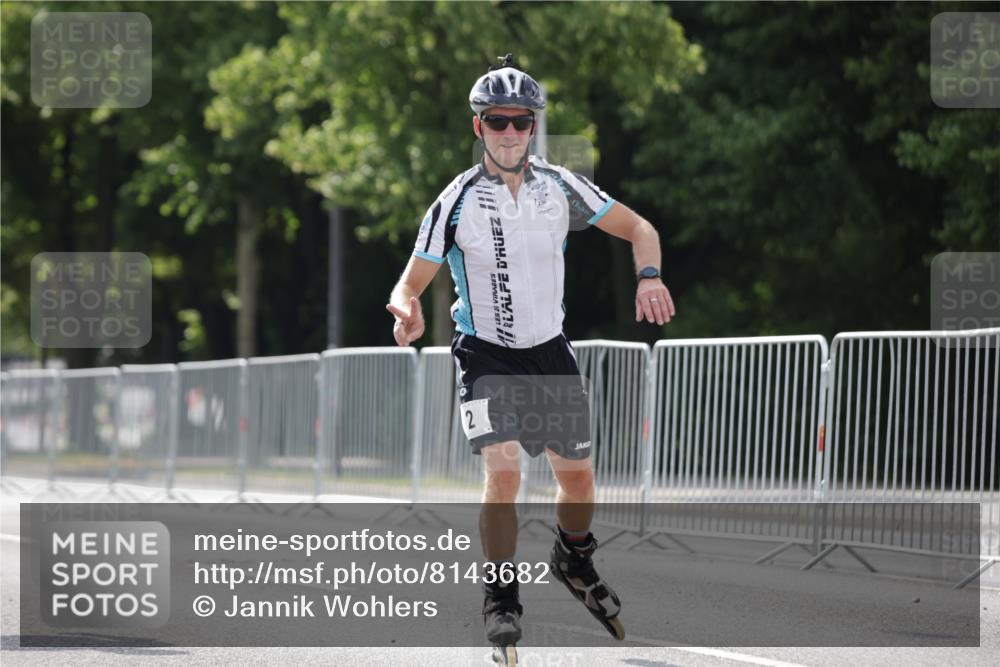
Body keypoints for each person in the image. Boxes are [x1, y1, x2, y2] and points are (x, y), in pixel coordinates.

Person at [386, 54, 675, 660]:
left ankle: (573, 556)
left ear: (535, 125)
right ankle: (500, 598)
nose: (511, 132)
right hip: (485, 354)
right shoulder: (456, 200)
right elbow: (408, 282)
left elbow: (641, 228)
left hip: (549, 351)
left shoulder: (560, 186)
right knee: (506, 471)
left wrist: (648, 276)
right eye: (498, 121)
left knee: (577, 479)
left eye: (522, 121)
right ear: (479, 128)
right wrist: (405, 307)